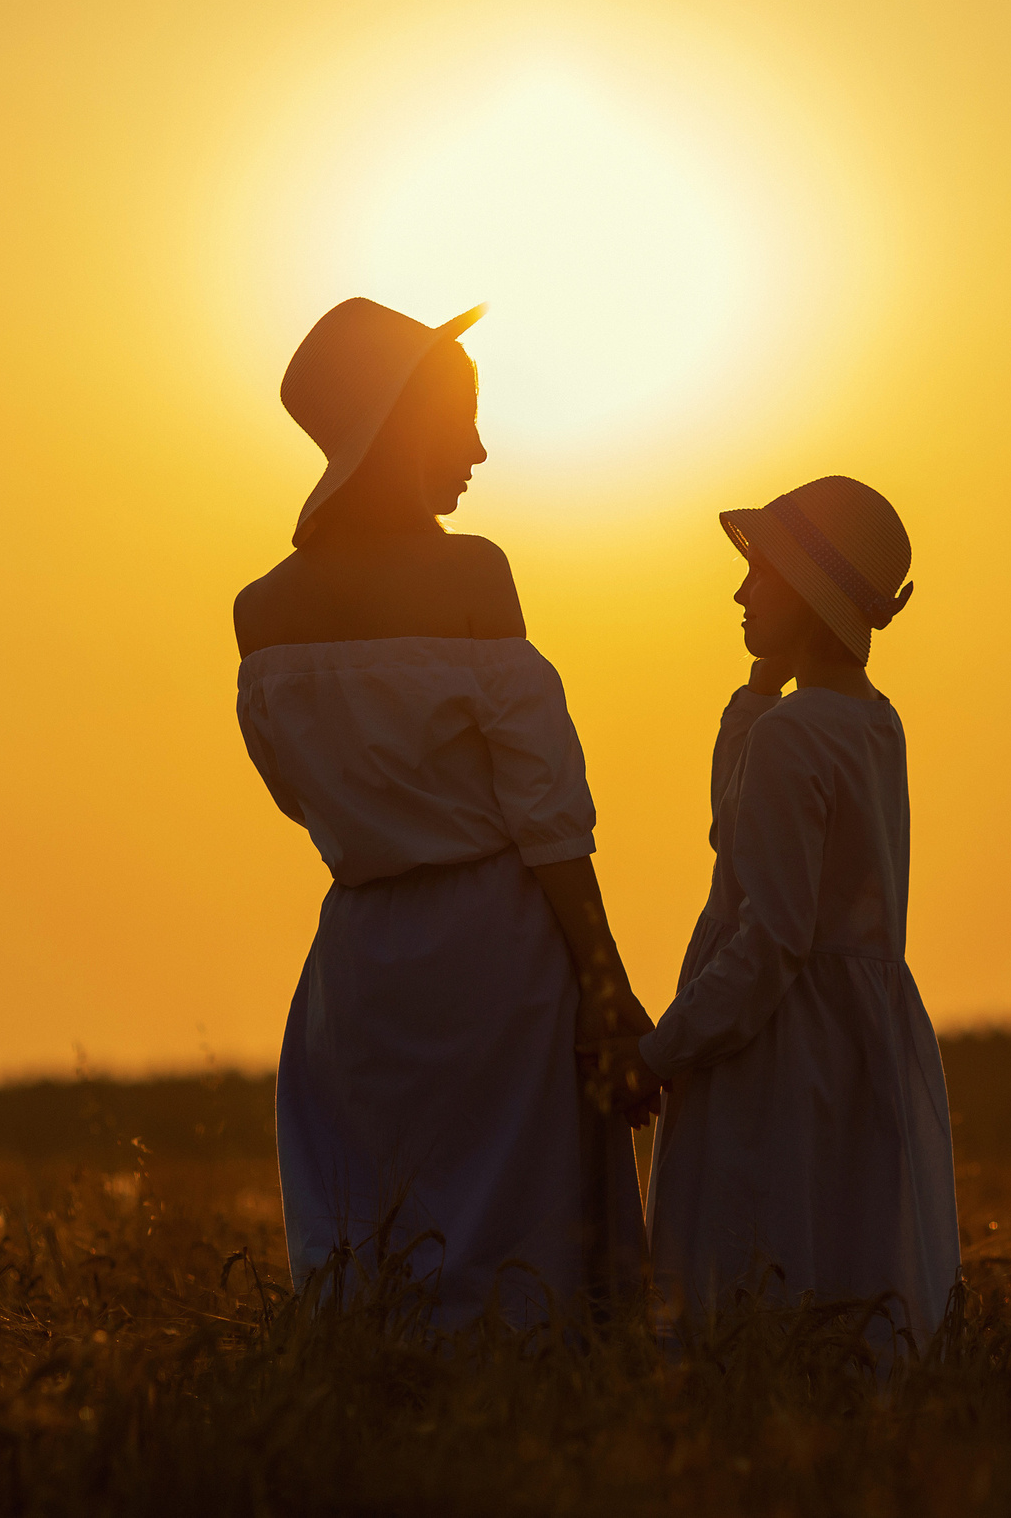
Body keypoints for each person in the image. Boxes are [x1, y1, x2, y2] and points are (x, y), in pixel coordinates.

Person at [233, 297, 653, 1322]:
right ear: (397, 427)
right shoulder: (474, 575)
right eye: (454, 420)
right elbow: (547, 815)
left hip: (361, 966)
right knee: (524, 1261)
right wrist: (605, 986)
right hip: (499, 954)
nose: (477, 448)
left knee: (382, 1253)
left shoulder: (260, 611)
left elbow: (297, 797)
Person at [599, 476, 961, 1350]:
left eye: (761, 575)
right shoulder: (872, 723)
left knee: (757, 1268)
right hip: (857, 1036)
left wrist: (660, 1051)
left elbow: (770, 938)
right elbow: (743, 815)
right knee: (850, 1253)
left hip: (777, 1049)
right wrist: (765, 681)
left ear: (805, 594)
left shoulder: (793, 736)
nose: (739, 591)